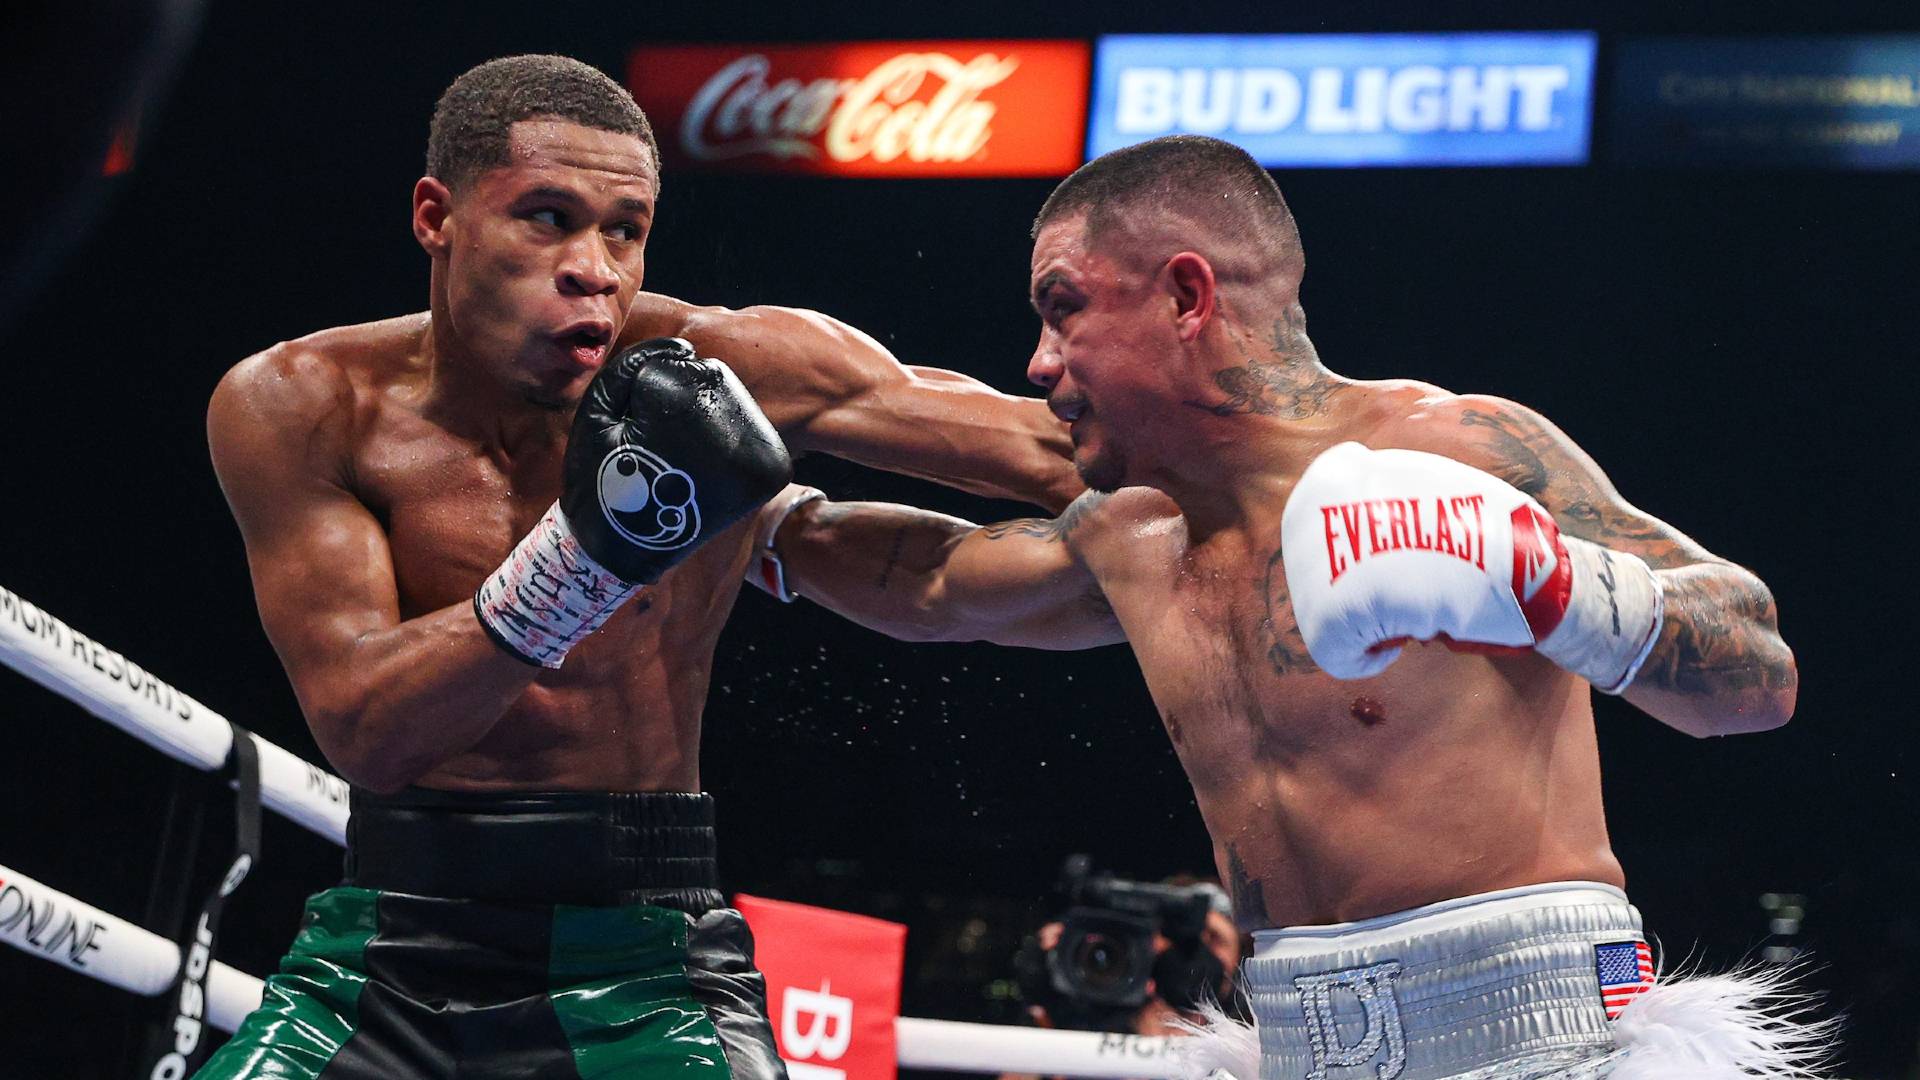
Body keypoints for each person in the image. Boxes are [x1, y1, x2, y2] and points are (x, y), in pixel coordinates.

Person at [751, 135, 1829, 1078]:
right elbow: (936, 583)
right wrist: (743, 518)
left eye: (1063, 310)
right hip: (1296, 1038)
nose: (1039, 363)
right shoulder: (1134, 534)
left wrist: (1547, 581)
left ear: (1186, 296)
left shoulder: (1450, 448)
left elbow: (1759, 672)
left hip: (1540, 1032)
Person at [196, 55, 1076, 1079]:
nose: (595, 269)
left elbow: (1065, 452)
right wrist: (592, 552)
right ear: (437, 217)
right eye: (547, 218)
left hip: (645, 962)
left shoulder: (728, 363)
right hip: (388, 948)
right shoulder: (304, 405)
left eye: (625, 229)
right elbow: (369, 732)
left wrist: (1241, 451)